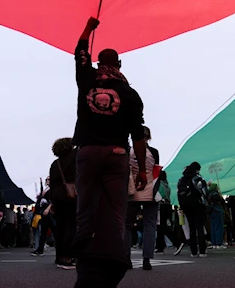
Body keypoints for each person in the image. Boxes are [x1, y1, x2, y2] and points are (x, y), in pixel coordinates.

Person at [71, 17, 148, 288]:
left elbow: (80, 52)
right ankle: (113, 262)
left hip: (88, 151)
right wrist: (141, 169)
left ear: (99, 63)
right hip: (117, 154)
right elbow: (137, 134)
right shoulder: (130, 94)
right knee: (117, 214)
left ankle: (82, 266)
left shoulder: (87, 80)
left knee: (85, 210)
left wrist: (90, 28)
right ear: (119, 65)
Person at [125, 126, 158, 271]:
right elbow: (156, 170)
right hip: (150, 191)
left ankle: (126, 258)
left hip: (132, 191)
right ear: (149, 137)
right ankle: (147, 260)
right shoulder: (154, 152)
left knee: (127, 226)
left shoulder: (128, 152)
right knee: (149, 225)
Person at [48, 137, 78, 270]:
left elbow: (52, 185)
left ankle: (59, 256)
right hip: (71, 195)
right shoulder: (74, 159)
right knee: (71, 225)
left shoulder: (55, 164)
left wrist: (52, 202)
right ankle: (68, 257)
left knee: (60, 228)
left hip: (58, 197)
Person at [176, 162, 208, 257]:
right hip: (198, 205)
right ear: (197, 169)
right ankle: (202, 251)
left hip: (186, 206)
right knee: (200, 228)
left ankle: (193, 251)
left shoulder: (181, 180)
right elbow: (204, 191)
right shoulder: (198, 178)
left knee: (192, 228)